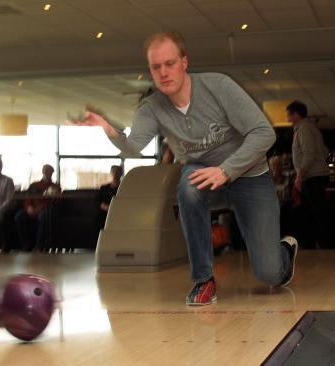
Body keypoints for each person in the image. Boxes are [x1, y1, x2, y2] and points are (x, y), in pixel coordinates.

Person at [74, 31, 298, 306]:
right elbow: (133, 147)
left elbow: (265, 134)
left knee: (268, 273)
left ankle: (283, 252)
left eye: (169, 63)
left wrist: (226, 170)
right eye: (156, 67)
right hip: (202, 175)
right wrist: (108, 129)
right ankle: (204, 280)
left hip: (249, 175)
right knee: (187, 187)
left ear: (184, 62)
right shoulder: (153, 107)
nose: (163, 72)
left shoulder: (219, 87)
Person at [287, 101, 330, 249]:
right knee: (315, 210)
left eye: (289, 114)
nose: (287, 118)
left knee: (315, 211)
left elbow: (309, 154)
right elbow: (324, 151)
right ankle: (319, 242)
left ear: (296, 114)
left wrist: (300, 175)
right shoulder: (311, 127)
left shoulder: (304, 128)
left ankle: (321, 242)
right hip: (315, 175)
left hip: (313, 176)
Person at [15, 164, 61, 251]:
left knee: (44, 216)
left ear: (52, 173)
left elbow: (57, 202)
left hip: (45, 210)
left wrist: (41, 208)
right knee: (19, 216)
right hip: (32, 208)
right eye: (46, 171)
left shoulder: (56, 187)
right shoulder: (34, 185)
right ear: (43, 172)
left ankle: (39, 245)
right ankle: (26, 244)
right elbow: (27, 198)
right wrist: (29, 207)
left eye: (50, 172)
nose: (48, 173)